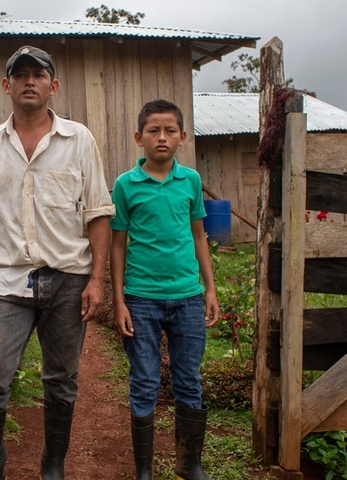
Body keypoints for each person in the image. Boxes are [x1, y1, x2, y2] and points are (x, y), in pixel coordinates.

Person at [0, 45, 115, 480]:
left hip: (69, 279)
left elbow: (98, 213)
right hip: (8, 282)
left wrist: (97, 280)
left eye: (39, 74)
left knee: (61, 380)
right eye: (21, 74)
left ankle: (53, 465)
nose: (31, 81)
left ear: (54, 86)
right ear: (6, 85)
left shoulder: (78, 139)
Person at [109, 99, 220, 480]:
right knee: (144, 381)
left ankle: (190, 464)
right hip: (140, 299)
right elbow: (118, 244)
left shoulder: (190, 180)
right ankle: (144, 469)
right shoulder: (125, 185)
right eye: (153, 131)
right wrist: (119, 300)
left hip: (187, 297)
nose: (162, 137)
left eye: (170, 130)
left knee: (189, 380)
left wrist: (210, 289)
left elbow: (199, 236)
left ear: (183, 137)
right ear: (139, 137)